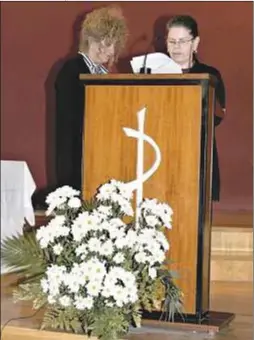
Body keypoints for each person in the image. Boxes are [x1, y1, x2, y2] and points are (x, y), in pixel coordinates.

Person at [55, 6, 128, 190]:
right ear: (92, 40)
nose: (111, 51)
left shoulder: (102, 74)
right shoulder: (72, 71)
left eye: (115, 44)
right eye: (108, 43)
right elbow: (72, 124)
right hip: (78, 164)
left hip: (102, 158)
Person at [165, 15, 226, 202]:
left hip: (197, 152)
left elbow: (217, 114)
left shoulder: (209, 75)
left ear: (195, 42)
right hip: (161, 151)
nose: (176, 47)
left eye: (182, 41)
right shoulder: (155, 73)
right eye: (171, 41)